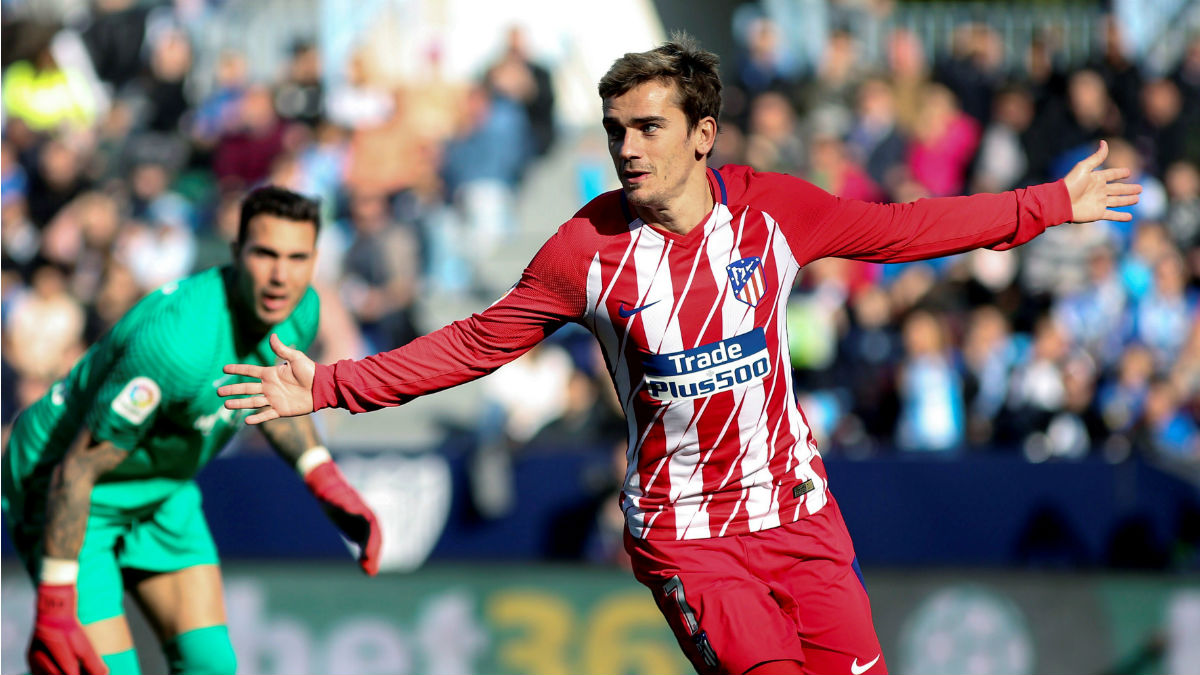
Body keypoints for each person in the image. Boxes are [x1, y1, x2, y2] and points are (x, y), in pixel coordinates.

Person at [219, 36, 1140, 675]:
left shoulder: (773, 209)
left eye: (646, 127)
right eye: (616, 129)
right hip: (690, 537)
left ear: (702, 134)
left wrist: (1048, 206)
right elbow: (476, 341)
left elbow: (902, 229)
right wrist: (334, 382)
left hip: (801, 517)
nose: (626, 147)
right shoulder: (586, 251)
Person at [3, 185, 382, 675]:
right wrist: (55, 607)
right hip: (69, 483)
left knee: (211, 666)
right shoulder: (178, 343)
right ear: (235, 253)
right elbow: (79, 466)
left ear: (315, 261)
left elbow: (262, 398)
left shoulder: (302, 310)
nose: (279, 276)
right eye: (265, 254)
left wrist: (322, 475)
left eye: (296, 257)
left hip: (162, 485)